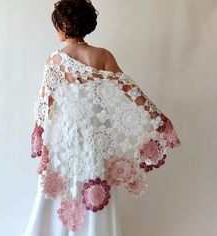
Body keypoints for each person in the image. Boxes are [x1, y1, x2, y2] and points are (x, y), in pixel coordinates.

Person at [20, 0, 181, 235]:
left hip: (65, 137)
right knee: (94, 185)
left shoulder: (55, 61)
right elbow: (130, 90)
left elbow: (45, 105)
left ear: (64, 25)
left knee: (61, 186)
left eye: (56, 24)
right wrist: (157, 117)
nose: (56, 30)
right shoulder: (102, 55)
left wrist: (40, 134)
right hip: (96, 137)